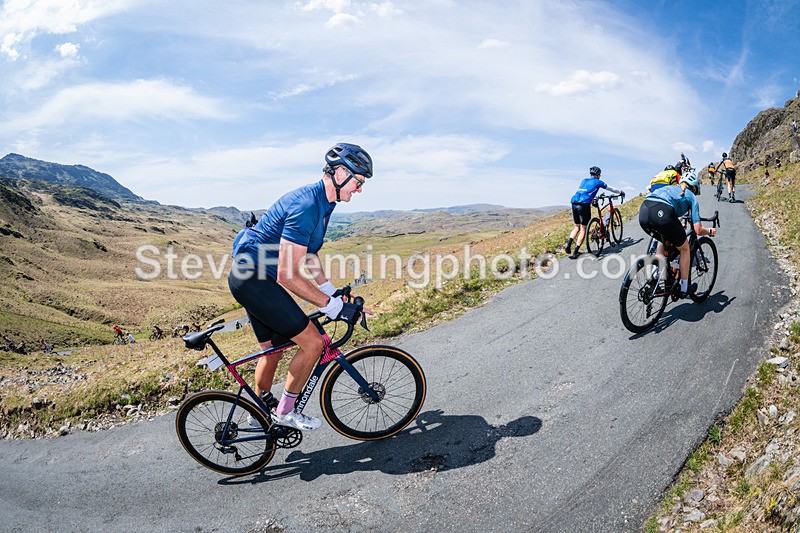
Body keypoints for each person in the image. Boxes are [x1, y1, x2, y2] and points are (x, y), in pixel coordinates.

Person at [228, 142, 370, 431]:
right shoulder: (307, 204)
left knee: (273, 350)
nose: (359, 189)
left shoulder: (325, 203)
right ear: (341, 173)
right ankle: (284, 412)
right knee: (314, 343)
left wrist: (329, 290)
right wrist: (333, 308)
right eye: (358, 182)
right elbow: (288, 276)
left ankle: (257, 414)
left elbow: (308, 253)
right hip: (254, 279)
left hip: (253, 277)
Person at [638, 171, 718, 298]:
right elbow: (698, 230)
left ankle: (654, 277)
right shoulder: (691, 196)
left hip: (644, 212)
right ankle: (684, 288)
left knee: (666, 242)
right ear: (694, 187)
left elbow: (671, 213)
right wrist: (709, 231)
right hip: (662, 212)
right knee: (685, 248)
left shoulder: (670, 188)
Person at [563, 166, 624, 259]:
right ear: (598, 175)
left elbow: (586, 191)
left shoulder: (584, 180)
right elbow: (610, 188)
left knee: (577, 226)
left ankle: (568, 245)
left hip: (574, 202)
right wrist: (620, 192)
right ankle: (575, 252)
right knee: (583, 229)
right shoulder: (598, 182)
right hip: (584, 204)